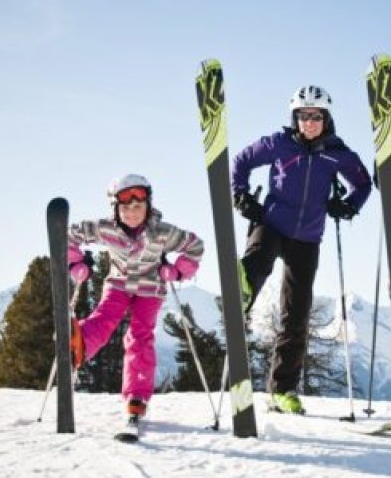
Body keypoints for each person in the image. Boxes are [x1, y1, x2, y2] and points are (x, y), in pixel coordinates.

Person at [231, 85, 373, 414]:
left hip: (308, 238)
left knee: (296, 313)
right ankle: (242, 290)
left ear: (326, 118)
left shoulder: (337, 153)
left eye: (316, 116)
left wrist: (349, 205)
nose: (309, 122)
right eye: (304, 116)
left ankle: (283, 389)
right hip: (272, 222)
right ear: (295, 117)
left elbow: (363, 182)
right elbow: (241, 161)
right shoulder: (278, 143)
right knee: (258, 261)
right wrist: (241, 195)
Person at [67, 174, 203, 422]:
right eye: (125, 208)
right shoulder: (105, 228)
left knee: (140, 335)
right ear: (115, 209)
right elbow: (68, 236)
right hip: (118, 285)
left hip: (149, 289)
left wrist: (177, 271)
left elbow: (195, 246)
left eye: (138, 206)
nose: (132, 213)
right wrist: (76, 262)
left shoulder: (161, 232)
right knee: (105, 316)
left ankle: (137, 396)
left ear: (148, 205)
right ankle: (80, 343)